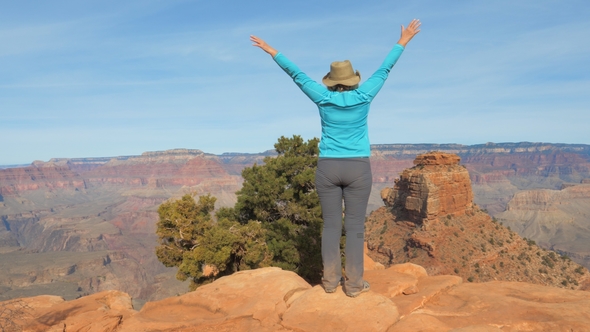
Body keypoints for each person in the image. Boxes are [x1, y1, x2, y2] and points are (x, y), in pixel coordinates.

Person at [250, 19, 421, 297]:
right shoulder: (365, 95)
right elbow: (385, 69)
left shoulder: (321, 97)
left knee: (330, 226)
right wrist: (403, 40)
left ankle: (329, 283)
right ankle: (353, 285)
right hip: (358, 169)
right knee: (354, 228)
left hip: (328, 168)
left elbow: (297, 75)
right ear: (352, 79)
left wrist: (272, 50)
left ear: (332, 81)